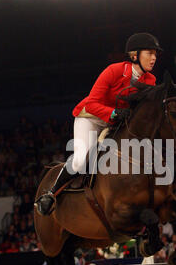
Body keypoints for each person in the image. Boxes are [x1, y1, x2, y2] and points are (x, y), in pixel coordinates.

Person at [35, 32, 163, 216]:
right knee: (81, 160)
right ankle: (50, 193)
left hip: (116, 123)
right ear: (135, 55)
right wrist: (113, 112)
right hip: (91, 118)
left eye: (155, 54)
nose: (154, 58)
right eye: (150, 53)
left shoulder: (150, 80)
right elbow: (92, 103)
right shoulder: (114, 70)